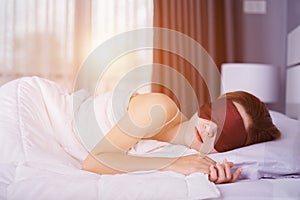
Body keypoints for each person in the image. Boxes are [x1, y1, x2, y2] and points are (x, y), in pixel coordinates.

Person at [81, 91, 281, 184]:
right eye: (217, 114)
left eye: (226, 134)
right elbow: (92, 162)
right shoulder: (159, 108)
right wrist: (172, 164)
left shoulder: (188, 157)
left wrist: (211, 177)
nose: (209, 129)